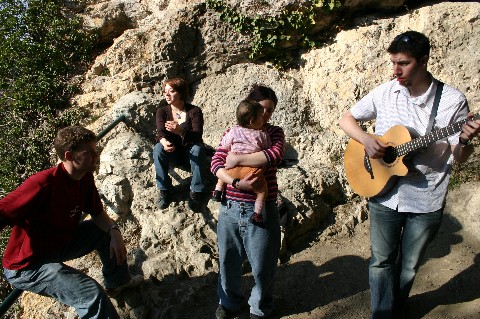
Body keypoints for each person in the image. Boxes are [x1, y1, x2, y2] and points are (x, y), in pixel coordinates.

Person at [339, 31, 480, 319]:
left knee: (408, 266)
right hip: (383, 192)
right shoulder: (386, 91)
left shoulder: (452, 101)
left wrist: (464, 141)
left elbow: (459, 158)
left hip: (426, 198)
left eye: (403, 63)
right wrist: (366, 140)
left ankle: (394, 307)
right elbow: (346, 119)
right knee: (381, 262)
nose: (395, 71)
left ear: (424, 60)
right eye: (393, 63)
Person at [0, 125, 133, 319]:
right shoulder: (42, 184)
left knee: (105, 232)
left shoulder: (84, 177)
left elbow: (97, 214)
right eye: (90, 152)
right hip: (28, 265)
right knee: (91, 295)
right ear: (69, 156)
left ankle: (118, 284)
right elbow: (3, 210)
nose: (96, 156)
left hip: (58, 243)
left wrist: (114, 231)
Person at [211, 84, 285, 319]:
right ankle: (229, 303)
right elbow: (216, 163)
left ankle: (260, 307)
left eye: (271, 110)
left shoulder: (274, 133)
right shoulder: (232, 131)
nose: (266, 115)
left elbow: (273, 156)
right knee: (228, 262)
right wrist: (235, 184)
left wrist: (237, 158)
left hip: (261, 211)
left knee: (263, 264)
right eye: (263, 109)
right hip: (230, 207)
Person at [153, 77, 209, 211]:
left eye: (171, 91)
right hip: (173, 153)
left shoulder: (194, 111)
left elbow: (197, 136)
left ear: (181, 93)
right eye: (165, 91)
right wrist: (164, 142)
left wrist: (180, 131)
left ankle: (196, 191)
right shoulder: (162, 111)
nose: (167, 94)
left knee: (198, 149)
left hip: (190, 153)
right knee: (158, 148)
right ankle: (165, 190)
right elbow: (160, 133)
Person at [212, 99, 271, 225]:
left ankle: (217, 190)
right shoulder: (261, 135)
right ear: (251, 121)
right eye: (261, 117)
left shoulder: (232, 131)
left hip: (232, 170)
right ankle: (257, 214)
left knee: (224, 168)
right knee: (262, 191)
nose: (264, 119)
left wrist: (235, 156)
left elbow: (225, 145)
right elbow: (268, 150)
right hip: (250, 172)